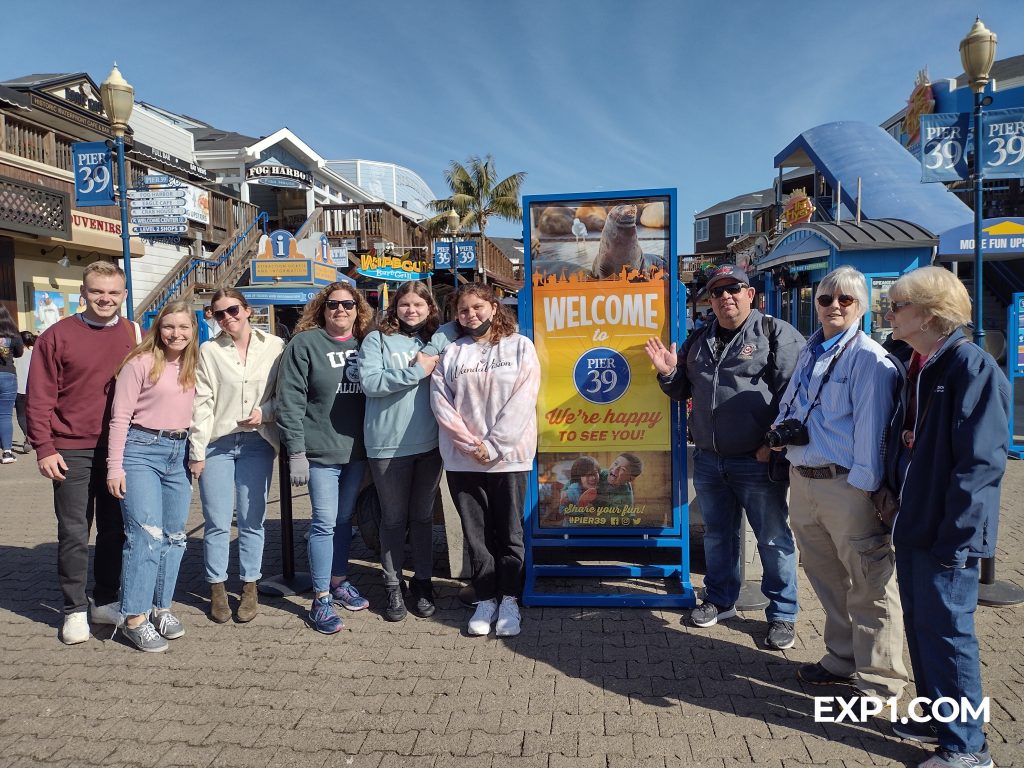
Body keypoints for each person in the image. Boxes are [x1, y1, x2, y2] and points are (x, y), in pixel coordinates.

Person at [883, 267, 1008, 768]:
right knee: (923, 626)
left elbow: (981, 464)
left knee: (950, 635)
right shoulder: (920, 363)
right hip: (915, 524)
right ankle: (941, 716)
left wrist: (957, 537)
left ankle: (967, 748)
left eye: (896, 306)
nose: (887, 313)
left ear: (930, 315)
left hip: (945, 533)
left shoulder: (969, 368)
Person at [645, 264, 804, 651]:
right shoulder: (699, 340)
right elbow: (681, 390)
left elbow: (795, 396)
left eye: (734, 289)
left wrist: (772, 444)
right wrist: (668, 373)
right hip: (710, 459)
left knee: (772, 538)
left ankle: (782, 614)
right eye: (717, 292)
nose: (725, 297)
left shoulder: (774, 333)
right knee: (718, 536)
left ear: (751, 295)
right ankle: (719, 600)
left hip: (757, 459)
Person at [771, 265, 908, 698]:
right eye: (826, 299)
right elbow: (793, 405)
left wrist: (867, 494)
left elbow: (872, 434)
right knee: (826, 577)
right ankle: (842, 657)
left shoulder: (870, 359)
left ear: (862, 307)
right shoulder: (811, 351)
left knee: (870, 583)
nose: (834, 306)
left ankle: (881, 680)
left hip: (848, 486)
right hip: (804, 480)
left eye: (845, 300)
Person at [27, 261, 138, 644]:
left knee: (114, 529)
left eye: (113, 293)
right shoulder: (56, 336)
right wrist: (43, 447)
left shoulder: (131, 331)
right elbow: (39, 398)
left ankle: (105, 599)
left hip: (119, 448)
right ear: (83, 293)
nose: (105, 299)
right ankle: (73, 609)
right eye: (97, 292)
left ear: (123, 295)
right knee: (74, 531)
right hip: (70, 448)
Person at [431, 283, 540, 637]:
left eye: (477, 307)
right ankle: (486, 597)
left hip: (510, 457)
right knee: (476, 533)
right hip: (463, 460)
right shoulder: (451, 353)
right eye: (463, 310)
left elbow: (524, 399)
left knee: (509, 531)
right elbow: (440, 403)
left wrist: (493, 446)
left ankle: (510, 597)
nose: (470, 315)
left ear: (493, 307)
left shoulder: (520, 346)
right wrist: (469, 444)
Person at [277, 282, 371, 634]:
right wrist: (296, 451)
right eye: (333, 305)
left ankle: (338, 581)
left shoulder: (367, 343)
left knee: (344, 520)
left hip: (357, 451)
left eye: (348, 304)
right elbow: (290, 400)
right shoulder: (305, 344)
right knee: (324, 522)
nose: (341, 311)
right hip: (319, 453)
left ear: (357, 308)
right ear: (323, 308)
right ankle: (320, 599)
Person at [106, 301, 198, 652]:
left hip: (180, 451)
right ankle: (134, 618)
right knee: (145, 536)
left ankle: (161, 608)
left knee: (175, 537)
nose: (176, 334)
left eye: (183, 327)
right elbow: (120, 418)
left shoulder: (193, 364)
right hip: (142, 449)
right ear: (158, 329)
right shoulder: (140, 363)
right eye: (169, 327)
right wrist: (115, 466)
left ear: (193, 330)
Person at [189, 288, 283, 624]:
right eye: (219, 314)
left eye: (233, 310)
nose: (228, 318)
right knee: (215, 521)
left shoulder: (274, 346)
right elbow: (202, 403)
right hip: (218, 443)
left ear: (247, 310)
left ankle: (249, 586)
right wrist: (196, 451)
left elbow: (280, 395)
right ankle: (216, 588)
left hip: (258, 442)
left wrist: (265, 413)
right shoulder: (209, 351)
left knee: (251, 519)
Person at [359, 280, 451, 622]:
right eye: (404, 304)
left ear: (430, 308)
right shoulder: (377, 339)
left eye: (419, 305)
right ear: (394, 307)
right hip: (387, 446)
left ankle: (423, 583)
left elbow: (463, 322)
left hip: (430, 445)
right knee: (393, 520)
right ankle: (393, 585)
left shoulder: (435, 339)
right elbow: (370, 383)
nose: (411, 310)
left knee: (423, 518)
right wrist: (416, 371)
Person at [0, 305, 24, 464]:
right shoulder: (13, 334)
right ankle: (7, 452)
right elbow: (19, 353)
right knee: (5, 415)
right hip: (7, 374)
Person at [14, 331, 35, 454]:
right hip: (33, 389)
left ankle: (27, 435)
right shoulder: (35, 354)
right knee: (34, 415)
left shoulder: (15, 355)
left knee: (21, 415)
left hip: (18, 389)